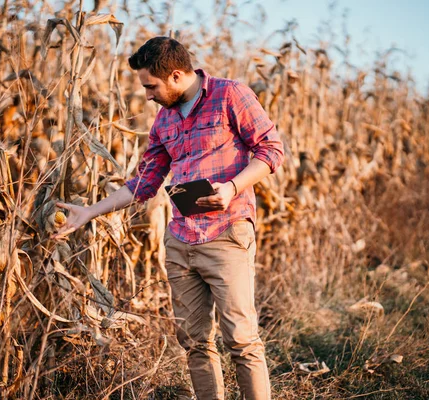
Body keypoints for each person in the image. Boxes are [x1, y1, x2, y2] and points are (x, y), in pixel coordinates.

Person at [55, 37, 284, 400]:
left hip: (227, 233)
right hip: (180, 240)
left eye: (151, 86)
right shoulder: (164, 121)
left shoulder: (230, 95)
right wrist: (90, 212)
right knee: (194, 342)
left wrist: (232, 187)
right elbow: (144, 183)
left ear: (176, 76)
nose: (147, 95)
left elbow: (271, 150)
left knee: (241, 340)